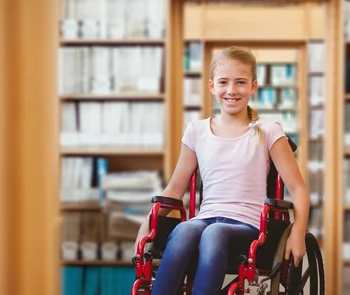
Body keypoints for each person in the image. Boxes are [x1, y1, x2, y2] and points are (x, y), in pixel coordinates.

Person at [133, 46, 311, 295]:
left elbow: (298, 189)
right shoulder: (197, 131)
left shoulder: (268, 131)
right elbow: (175, 188)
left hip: (248, 226)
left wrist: (298, 233)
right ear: (211, 86)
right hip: (206, 218)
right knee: (184, 228)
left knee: (214, 233)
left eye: (240, 82)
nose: (231, 90)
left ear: (253, 86)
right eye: (223, 82)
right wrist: (146, 224)